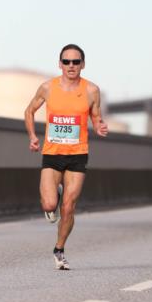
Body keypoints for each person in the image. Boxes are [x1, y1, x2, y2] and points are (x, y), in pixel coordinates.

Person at [24, 44, 108, 270]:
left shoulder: (91, 90)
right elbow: (29, 111)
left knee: (69, 206)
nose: (71, 66)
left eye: (76, 62)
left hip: (77, 154)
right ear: (60, 64)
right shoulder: (47, 88)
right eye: (67, 61)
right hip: (52, 154)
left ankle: (59, 250)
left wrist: (99, 126)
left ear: (83, 64)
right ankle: (55, 195)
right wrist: (32, 136)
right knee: (50, 204)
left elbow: (96, 116)